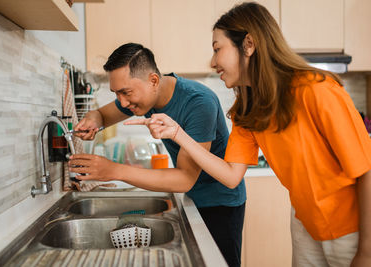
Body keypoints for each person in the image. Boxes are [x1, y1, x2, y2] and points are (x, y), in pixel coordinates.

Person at [123, 2, 371, 267]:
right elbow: (230, 175)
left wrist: (366, 251)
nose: (213, 61)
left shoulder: (317, 90)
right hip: (305, 223)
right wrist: (178, 134)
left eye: (218, 49)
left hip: (352, 228)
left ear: (249, 44)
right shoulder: (248, 109)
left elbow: (366, 170)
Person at [69, 43, 246, 266]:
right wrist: (94, 120)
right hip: (192, 197)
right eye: (117, 93)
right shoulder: (142, 97)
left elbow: (184, 179)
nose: (122, 102)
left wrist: (113, 170)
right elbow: (101, 114)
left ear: (153, 80)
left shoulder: (199, 102)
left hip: (221, 202)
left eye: (126, 92)